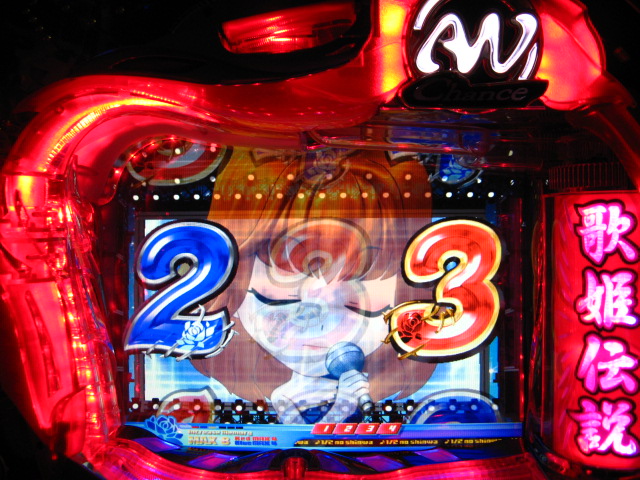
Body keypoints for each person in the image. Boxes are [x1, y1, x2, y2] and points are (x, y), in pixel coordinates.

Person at [186, 146, 437, 424]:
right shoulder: (267, 394)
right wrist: (335, 411)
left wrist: (345, 408)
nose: (320, 323)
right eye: (282, 297)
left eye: (355, 306)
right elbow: (295, 439)